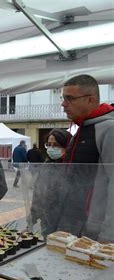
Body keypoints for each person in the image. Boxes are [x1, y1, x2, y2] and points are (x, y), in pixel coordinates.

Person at [59, 74, 114, 240]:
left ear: (90, 100)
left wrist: (109, 234)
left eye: (69, 99)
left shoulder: (109, 129)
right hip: (73, 222)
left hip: (94, 230)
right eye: (63, 98)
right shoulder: (82, 127)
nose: (63, 104)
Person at [30, 129, 71, 237]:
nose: (52, 148)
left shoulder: (72, 168)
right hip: (47, 221)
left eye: (56, 145)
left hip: (67, 223)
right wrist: (32, 218)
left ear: (67, 147)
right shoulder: (46, 166)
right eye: (49, 144)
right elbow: (38, 193)